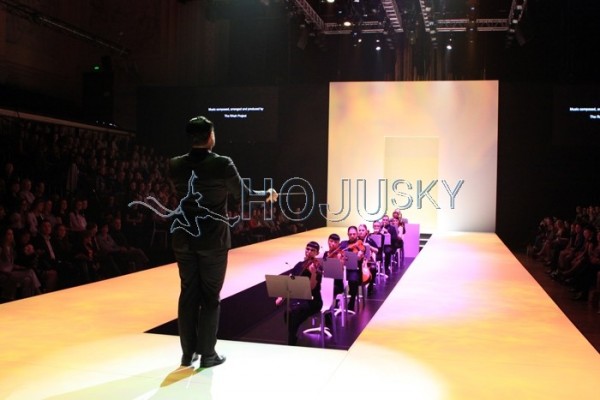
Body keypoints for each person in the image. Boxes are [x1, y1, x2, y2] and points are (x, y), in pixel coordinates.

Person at [169, 115, 276, 368]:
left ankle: (188, 354)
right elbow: (244, 196)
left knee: (188, 294)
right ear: (210, 137)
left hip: (183, 238)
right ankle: (208, 354)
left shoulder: (174, 164)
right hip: (212, 240)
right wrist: (268, 194)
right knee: (210, 297)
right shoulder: (222, 164)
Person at [275, 241, 323, 346]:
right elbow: (290, 281)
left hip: (313, 300)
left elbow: (312, 287)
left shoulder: (317, 267)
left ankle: (292, 339)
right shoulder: (299, 265)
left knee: (295, 314)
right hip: (299, 298)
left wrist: (313, 274)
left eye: (312, 250)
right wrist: (281, 297)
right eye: (307, 249)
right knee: (288, 312)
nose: (309, 252)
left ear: (317, 253)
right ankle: (293, 335)